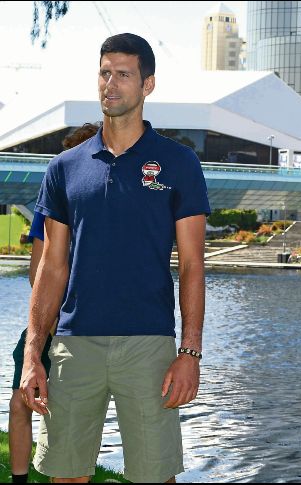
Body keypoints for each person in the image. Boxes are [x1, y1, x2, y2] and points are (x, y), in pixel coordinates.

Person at [20, 33, 210, 483]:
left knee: (154, 476)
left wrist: (190, 352)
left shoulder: (178, 162)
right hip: (73, 344)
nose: (111, 83)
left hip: (148, 344)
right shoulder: (64, 167)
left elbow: (192, 266)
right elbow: (52, 266)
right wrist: (33, 354)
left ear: (148, 85)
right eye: (105, 73)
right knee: (65, 474)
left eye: (123, 74)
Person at [8, 122, 100, 484]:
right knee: (21, 401)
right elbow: (38, 276)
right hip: (48, 325)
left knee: (71, 418)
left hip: (87, 332)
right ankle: (18, 479)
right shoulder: (48, 212)